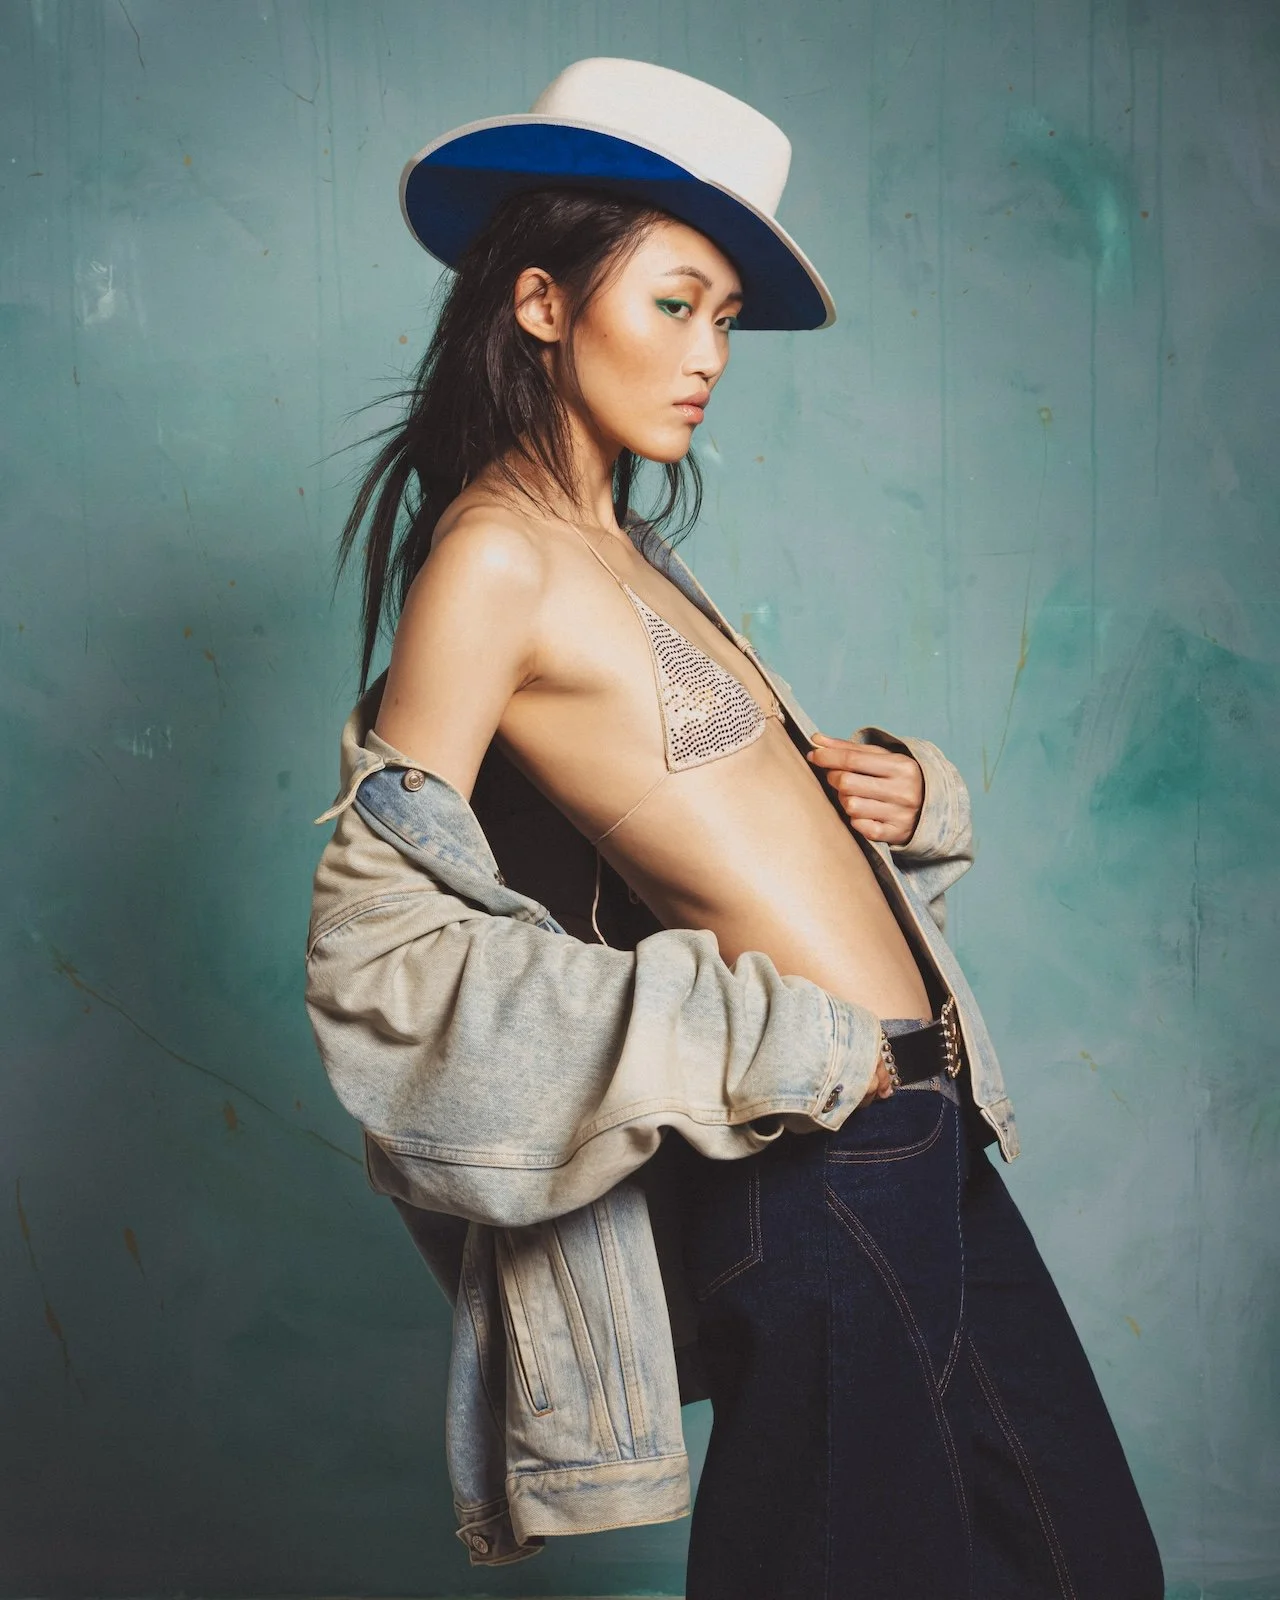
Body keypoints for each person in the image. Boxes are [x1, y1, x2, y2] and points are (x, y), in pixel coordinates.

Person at [305, 57, 1164, 1597]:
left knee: (1081, 1560)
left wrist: (905, 797)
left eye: (725, 317)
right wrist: (726, 1027)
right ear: (542, 302)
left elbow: (706, 822)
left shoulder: (629, 550)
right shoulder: (495, 559)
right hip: (815, 1142)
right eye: (674, 304)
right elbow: (385, 933)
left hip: (923, 1121)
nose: (710, 355)